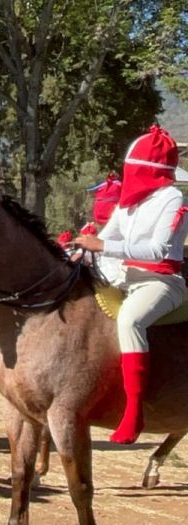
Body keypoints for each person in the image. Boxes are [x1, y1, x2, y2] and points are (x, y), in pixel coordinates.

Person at [75, 125, 188, 445]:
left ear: (147, 169)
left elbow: (158, 250)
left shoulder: (172, 198)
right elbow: (106, 236)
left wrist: (102, 246)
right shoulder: (129, 202)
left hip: (161, 280)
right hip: (126, 276)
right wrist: (79, 251)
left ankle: (134, 412)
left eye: (134, 168)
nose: (130, 174)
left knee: (130, 320)